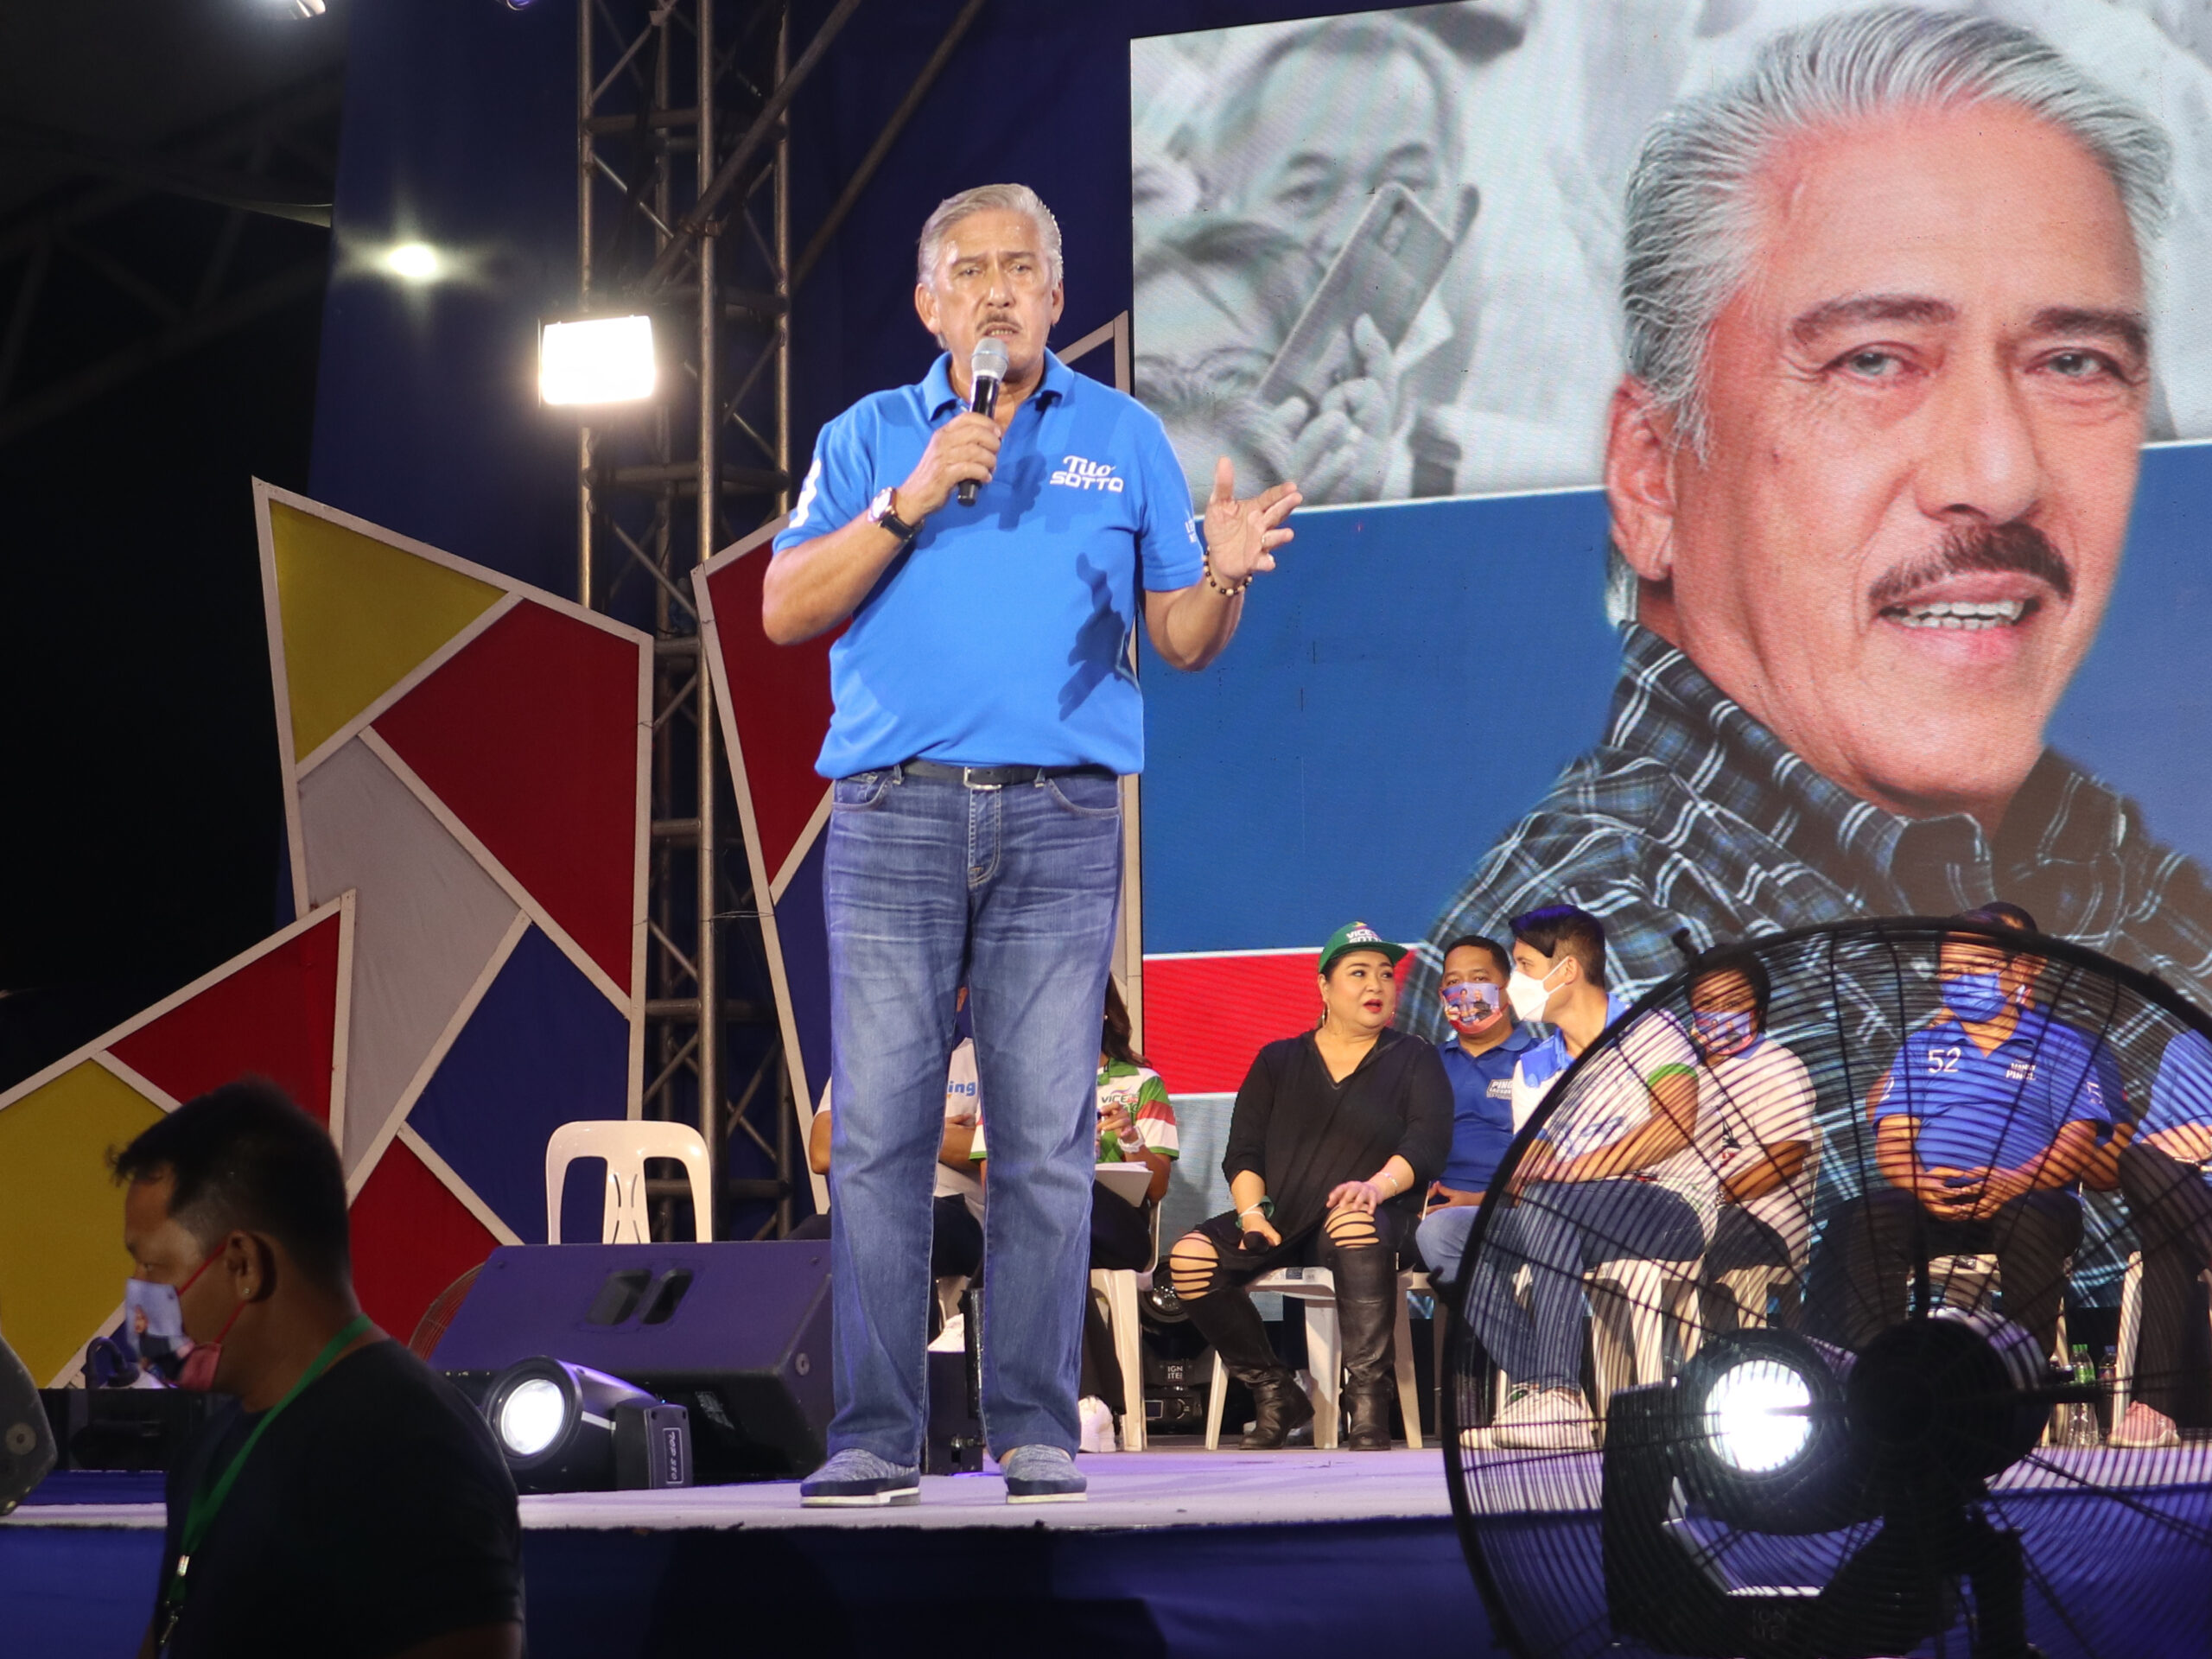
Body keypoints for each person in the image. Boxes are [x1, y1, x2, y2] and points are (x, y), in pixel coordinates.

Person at [1404, 7, 2212, 1027]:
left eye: (2073, 363)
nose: (2001, 476)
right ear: (1654, 480)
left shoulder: (2107, 873)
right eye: (1872, 360)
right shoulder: (1603, 969)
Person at [763, 182, 1299, 1507]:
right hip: (894, 809)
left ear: (1058, 298)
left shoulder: (1125, 438)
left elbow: (1178, 642)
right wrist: (909, 497)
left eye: (1022, 268)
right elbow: (781, 609)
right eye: (971, 270)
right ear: (928, 303)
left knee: (1047, 1139)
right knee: (883, 1131)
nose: (998, 290)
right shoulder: (869, 436)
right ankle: (878, 1434)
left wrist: (1221, 576)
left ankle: (1034, 1426)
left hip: (1062, 816)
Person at [116, 1080, 521, 1659]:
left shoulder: (414, 1454)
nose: (138, 1296)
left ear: (243, 1264)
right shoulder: (211, 1445)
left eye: (152, 1264)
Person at [1425, 906, 1703, 1451]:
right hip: (1571, 1217)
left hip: (1667, 1208)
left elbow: (1673, 1125)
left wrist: (1571, 1173)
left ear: (1567, 971)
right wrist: (1556, 1180)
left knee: (1551, 1199)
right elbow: (1527, 1171)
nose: (1516, 983)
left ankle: (1556, 1391)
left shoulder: (1648, 1029)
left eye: (1525, 966)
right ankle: (1545, 1390)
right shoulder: (1534, 1065)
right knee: (1445, 1235)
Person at [1165, 922, 1450, 1451]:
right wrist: (1251, 1216)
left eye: (1386, 974)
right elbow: (1243, 1153)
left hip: (1377, 1216)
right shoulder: (1278, 1060)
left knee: (1352, 1218)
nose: (1376, 986)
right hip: (1283, 1214)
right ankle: (1275, 1391)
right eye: (1359, 973)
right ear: (1324, 986)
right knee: (1188, 1258)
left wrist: (1377, 1186)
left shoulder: (1414, 1056)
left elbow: (1428, 1145)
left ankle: (1367, 1397)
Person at [1815, 906, 2113, 1359]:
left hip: (2030, 1203)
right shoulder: (1922, 1046)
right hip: (1936, 1202)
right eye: (1950, 970)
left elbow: (2077, 1140)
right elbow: (1892, 1138)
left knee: (2025, 1218)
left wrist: (2014, 1183)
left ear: (2018, 972)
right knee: (1866, 1217)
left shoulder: (2063, 1045)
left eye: (1977, 968)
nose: (1961, 979)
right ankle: (1875, 1373)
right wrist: (1920, 1183)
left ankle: (2018, 1380)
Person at [973, 980, 1178, 1450]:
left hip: (1120, 1228)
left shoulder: (1140, 1082)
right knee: (1054, 1235)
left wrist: (1127, 1138)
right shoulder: (1011, 1081)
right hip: (1046, 1225)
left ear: (1105, 1011)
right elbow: (992, 1181)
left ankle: (974, 1301)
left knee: (1059, 1198)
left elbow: (1159, 1185)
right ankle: (1092, 1405)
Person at [798, 989, 987, 1317]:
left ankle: (912, 1363)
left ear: (960, 997)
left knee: (898, 1232)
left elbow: (983, 1151)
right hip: (865, 1204)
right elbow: (822, 1151)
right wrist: (929, 1131)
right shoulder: (864, 1062)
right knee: (802, 1245)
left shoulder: (983, 1062)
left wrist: (879, 1131)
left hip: (953, 1212)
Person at [1680, 946, 1820, 1332]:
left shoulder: (1776, 1065)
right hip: (1693, 1213)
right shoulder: (1682, 1074)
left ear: (1757, 1008)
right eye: (1706, 1003)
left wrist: (1715, 1199)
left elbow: (1787, 1157)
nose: (1718, 1013)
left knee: (1677, 1245)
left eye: (1733, 1002)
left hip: (1761, 1217)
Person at [2108, 1027, 2212, 1446]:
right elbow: (2148, 1147)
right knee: (2139, 1164)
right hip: (2196, 1200)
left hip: (2188, 1211)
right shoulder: (2187, 1045)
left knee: (2165, 1227)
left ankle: (2154, 1406)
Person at [1424, 934, 1533, 1214]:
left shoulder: (1539, 1060)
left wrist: (1484, 1201)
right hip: (1429, 1210)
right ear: (1441, 995)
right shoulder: (1424, 1063)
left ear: (1507, 989)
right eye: (1453, 982)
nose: (1464, 991)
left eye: (1479, 979)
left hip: (1514, 1212)